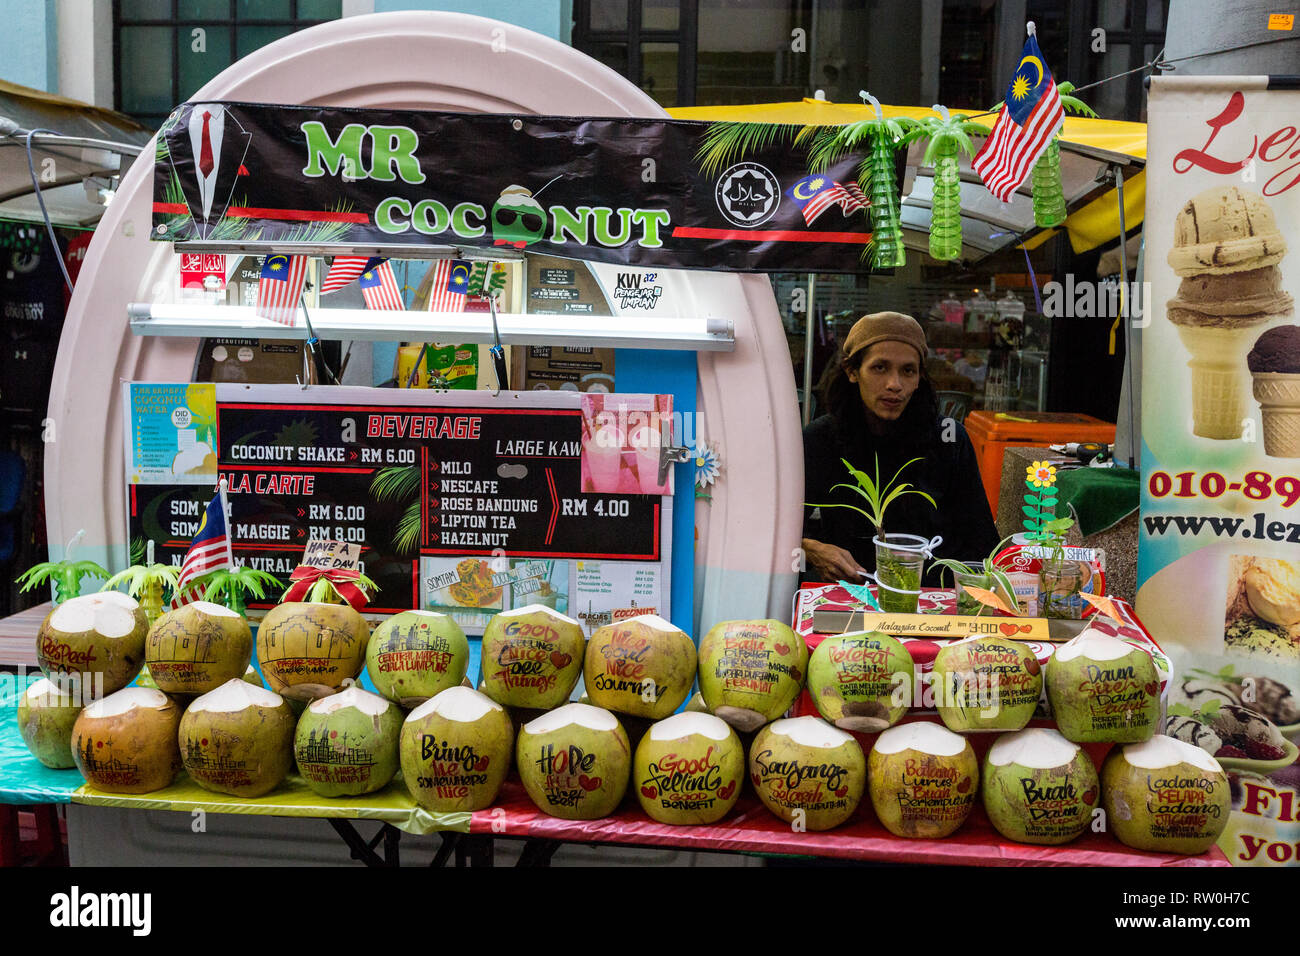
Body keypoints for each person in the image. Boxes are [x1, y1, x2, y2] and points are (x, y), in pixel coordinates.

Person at [801, 311, 999, 585]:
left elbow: (982, 544)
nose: (895, 385)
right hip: (850, 596)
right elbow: (777, 533)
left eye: (908, 371)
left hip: (932, 599)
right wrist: (811, 550)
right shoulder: (820, 440)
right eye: (880, 367)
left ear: (919, 379)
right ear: (852, 371)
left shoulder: (949, 439)